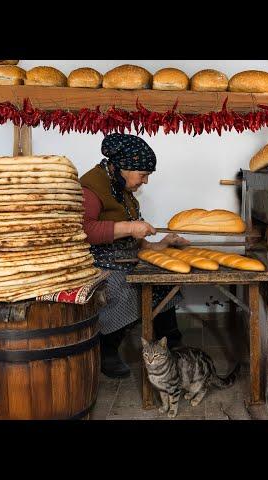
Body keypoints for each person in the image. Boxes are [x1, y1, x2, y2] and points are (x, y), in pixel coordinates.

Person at [80, 133, 189, 378]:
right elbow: (84, 230)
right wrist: (130, 228)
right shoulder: (91, 187)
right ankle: (106, 349)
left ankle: (172, 344)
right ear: (123, 167)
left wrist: (161, 245)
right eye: (143, 174)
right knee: (125, 286)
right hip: (98, 261)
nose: (146, 181)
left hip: (127, 257)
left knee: (162, 280)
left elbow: (135, 233)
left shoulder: (121, 187)